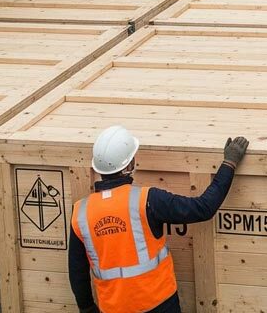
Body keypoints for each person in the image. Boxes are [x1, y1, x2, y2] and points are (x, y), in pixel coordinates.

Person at [68, 126, 250, 313]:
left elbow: (77, 273)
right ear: (129, 164)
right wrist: (229, 163)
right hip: (160, 305)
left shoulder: (80, 213)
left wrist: (87, 308)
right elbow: (203, 208)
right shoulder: (147, 200)